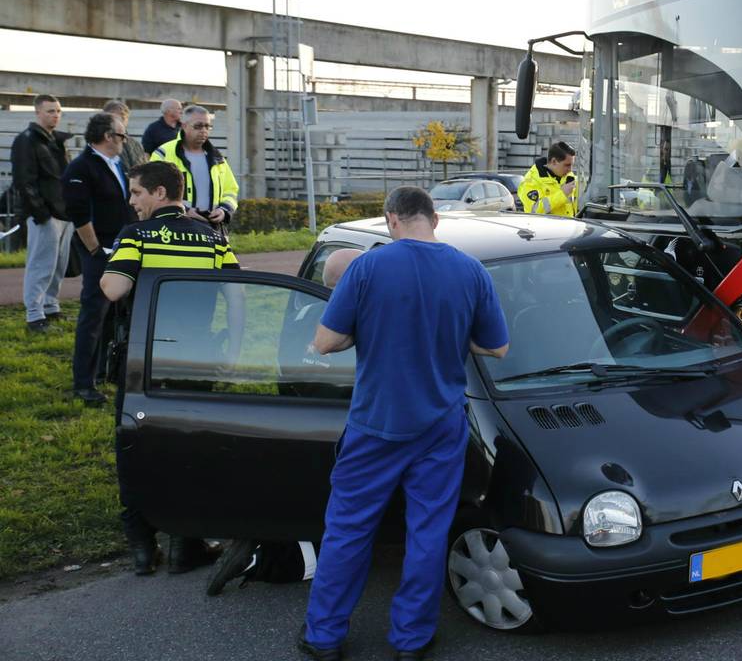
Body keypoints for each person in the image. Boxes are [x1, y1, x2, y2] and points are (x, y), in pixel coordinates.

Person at [299, 186, 508, 661]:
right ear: (434, 219)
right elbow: (497, 347)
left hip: (376, 424)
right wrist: (451, 332)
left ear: (391, 219)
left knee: (348, 531)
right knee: (428, 533)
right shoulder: (470, 271)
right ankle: (411, 640)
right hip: (441, 427)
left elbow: (326, 342)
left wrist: (368, 327)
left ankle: (324, 638)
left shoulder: (367, 267)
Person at [101, 160, 240, 575]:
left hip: (143, 361)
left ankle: (143, 548)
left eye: (136, 192)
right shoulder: (212, 237)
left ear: (159, 193)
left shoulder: (136, 235)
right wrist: (233, 349)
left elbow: (114, 289)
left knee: (134, 448)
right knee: (186, 447)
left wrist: (113, 266)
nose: (132, 201)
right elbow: (236, 293)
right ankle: (186, 545)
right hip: (196, 360)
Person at [204, 248, 363, 598]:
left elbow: (283, 365)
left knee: (299, 496)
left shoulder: (303, 313)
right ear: (352, 282)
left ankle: (258, 533)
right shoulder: (356, 319)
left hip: (298, 416)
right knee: (335, 544)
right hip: (344, 425)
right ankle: (260, 561)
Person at [62, 113, 137, 406]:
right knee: (93, 314)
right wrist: (96, 250)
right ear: (107, 136)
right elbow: (79, 214)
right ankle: (84, 383)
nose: (124, 141)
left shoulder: (118, 163)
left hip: (122, 247)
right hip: (102, 251)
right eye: (122, 135)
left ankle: (107, 370)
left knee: (114, 313)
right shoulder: (81, 167)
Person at [12, 94, 73, 333]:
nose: (55, 115)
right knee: (41, 266)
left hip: (63, 213)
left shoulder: (57, 141)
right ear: (37, 112)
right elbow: (24, 180)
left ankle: (50, 306)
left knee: (58, 266)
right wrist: (41, 213)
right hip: (45, 214)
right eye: (50, 111)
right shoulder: (26, 141)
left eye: (58, 111)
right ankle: (35, 316)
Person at [150, 105, 239, 226]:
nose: (204, 131)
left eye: (207, 126)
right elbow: (153, 189)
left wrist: (224, 210)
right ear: (184, 126)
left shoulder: (217, 158)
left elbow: (231, 190)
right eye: (198, 126)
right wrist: (184, 210)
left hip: (211, 227)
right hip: (174, 225)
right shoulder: (164, 153)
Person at [517, 140, 577, 217]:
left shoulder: (569, 176)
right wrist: (562, 194)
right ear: (554, 161)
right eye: (567, 165)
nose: (570, 169)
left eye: (572, 165)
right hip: (543, 225)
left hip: (568, 224)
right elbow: (535, 210)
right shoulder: (531, 180)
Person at [102, 99, 148, 171]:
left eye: (123, 118)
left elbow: (144, 170)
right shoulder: (101, 144)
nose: (120, 122)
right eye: (116, 119)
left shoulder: (136, 145)